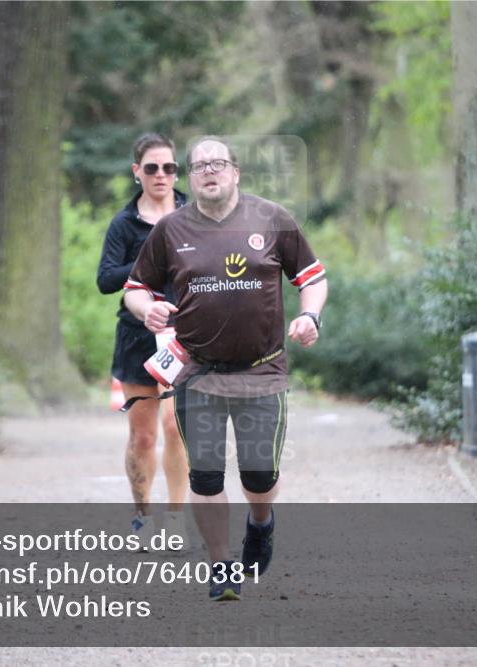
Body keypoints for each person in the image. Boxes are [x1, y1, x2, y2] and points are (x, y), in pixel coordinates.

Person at [123, 136, 328, 600]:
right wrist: (146, 310)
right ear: (190, 178)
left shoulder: (272, 219)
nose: (209, 171)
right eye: (199, 166)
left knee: (260, 475)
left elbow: (312, 278)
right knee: (206, 475)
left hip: (262, 370)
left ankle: (261, 522)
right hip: (198, 372)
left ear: (235, 172)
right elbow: (135, 287)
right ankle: (221, 567)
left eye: (218, 164)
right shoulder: (171, 230)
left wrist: (309, 315)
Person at [96, 133, 190, 546]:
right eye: (151, 168)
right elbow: (105, 279)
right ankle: (141, 514)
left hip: (185, 336)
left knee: (177, 425)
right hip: (137, 335)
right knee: (144, 435)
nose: (161, 175)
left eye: (168, 167)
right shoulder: (125, 223)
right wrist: (147, 259)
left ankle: (175, 519)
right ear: (137, 172)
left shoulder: (194, 213)